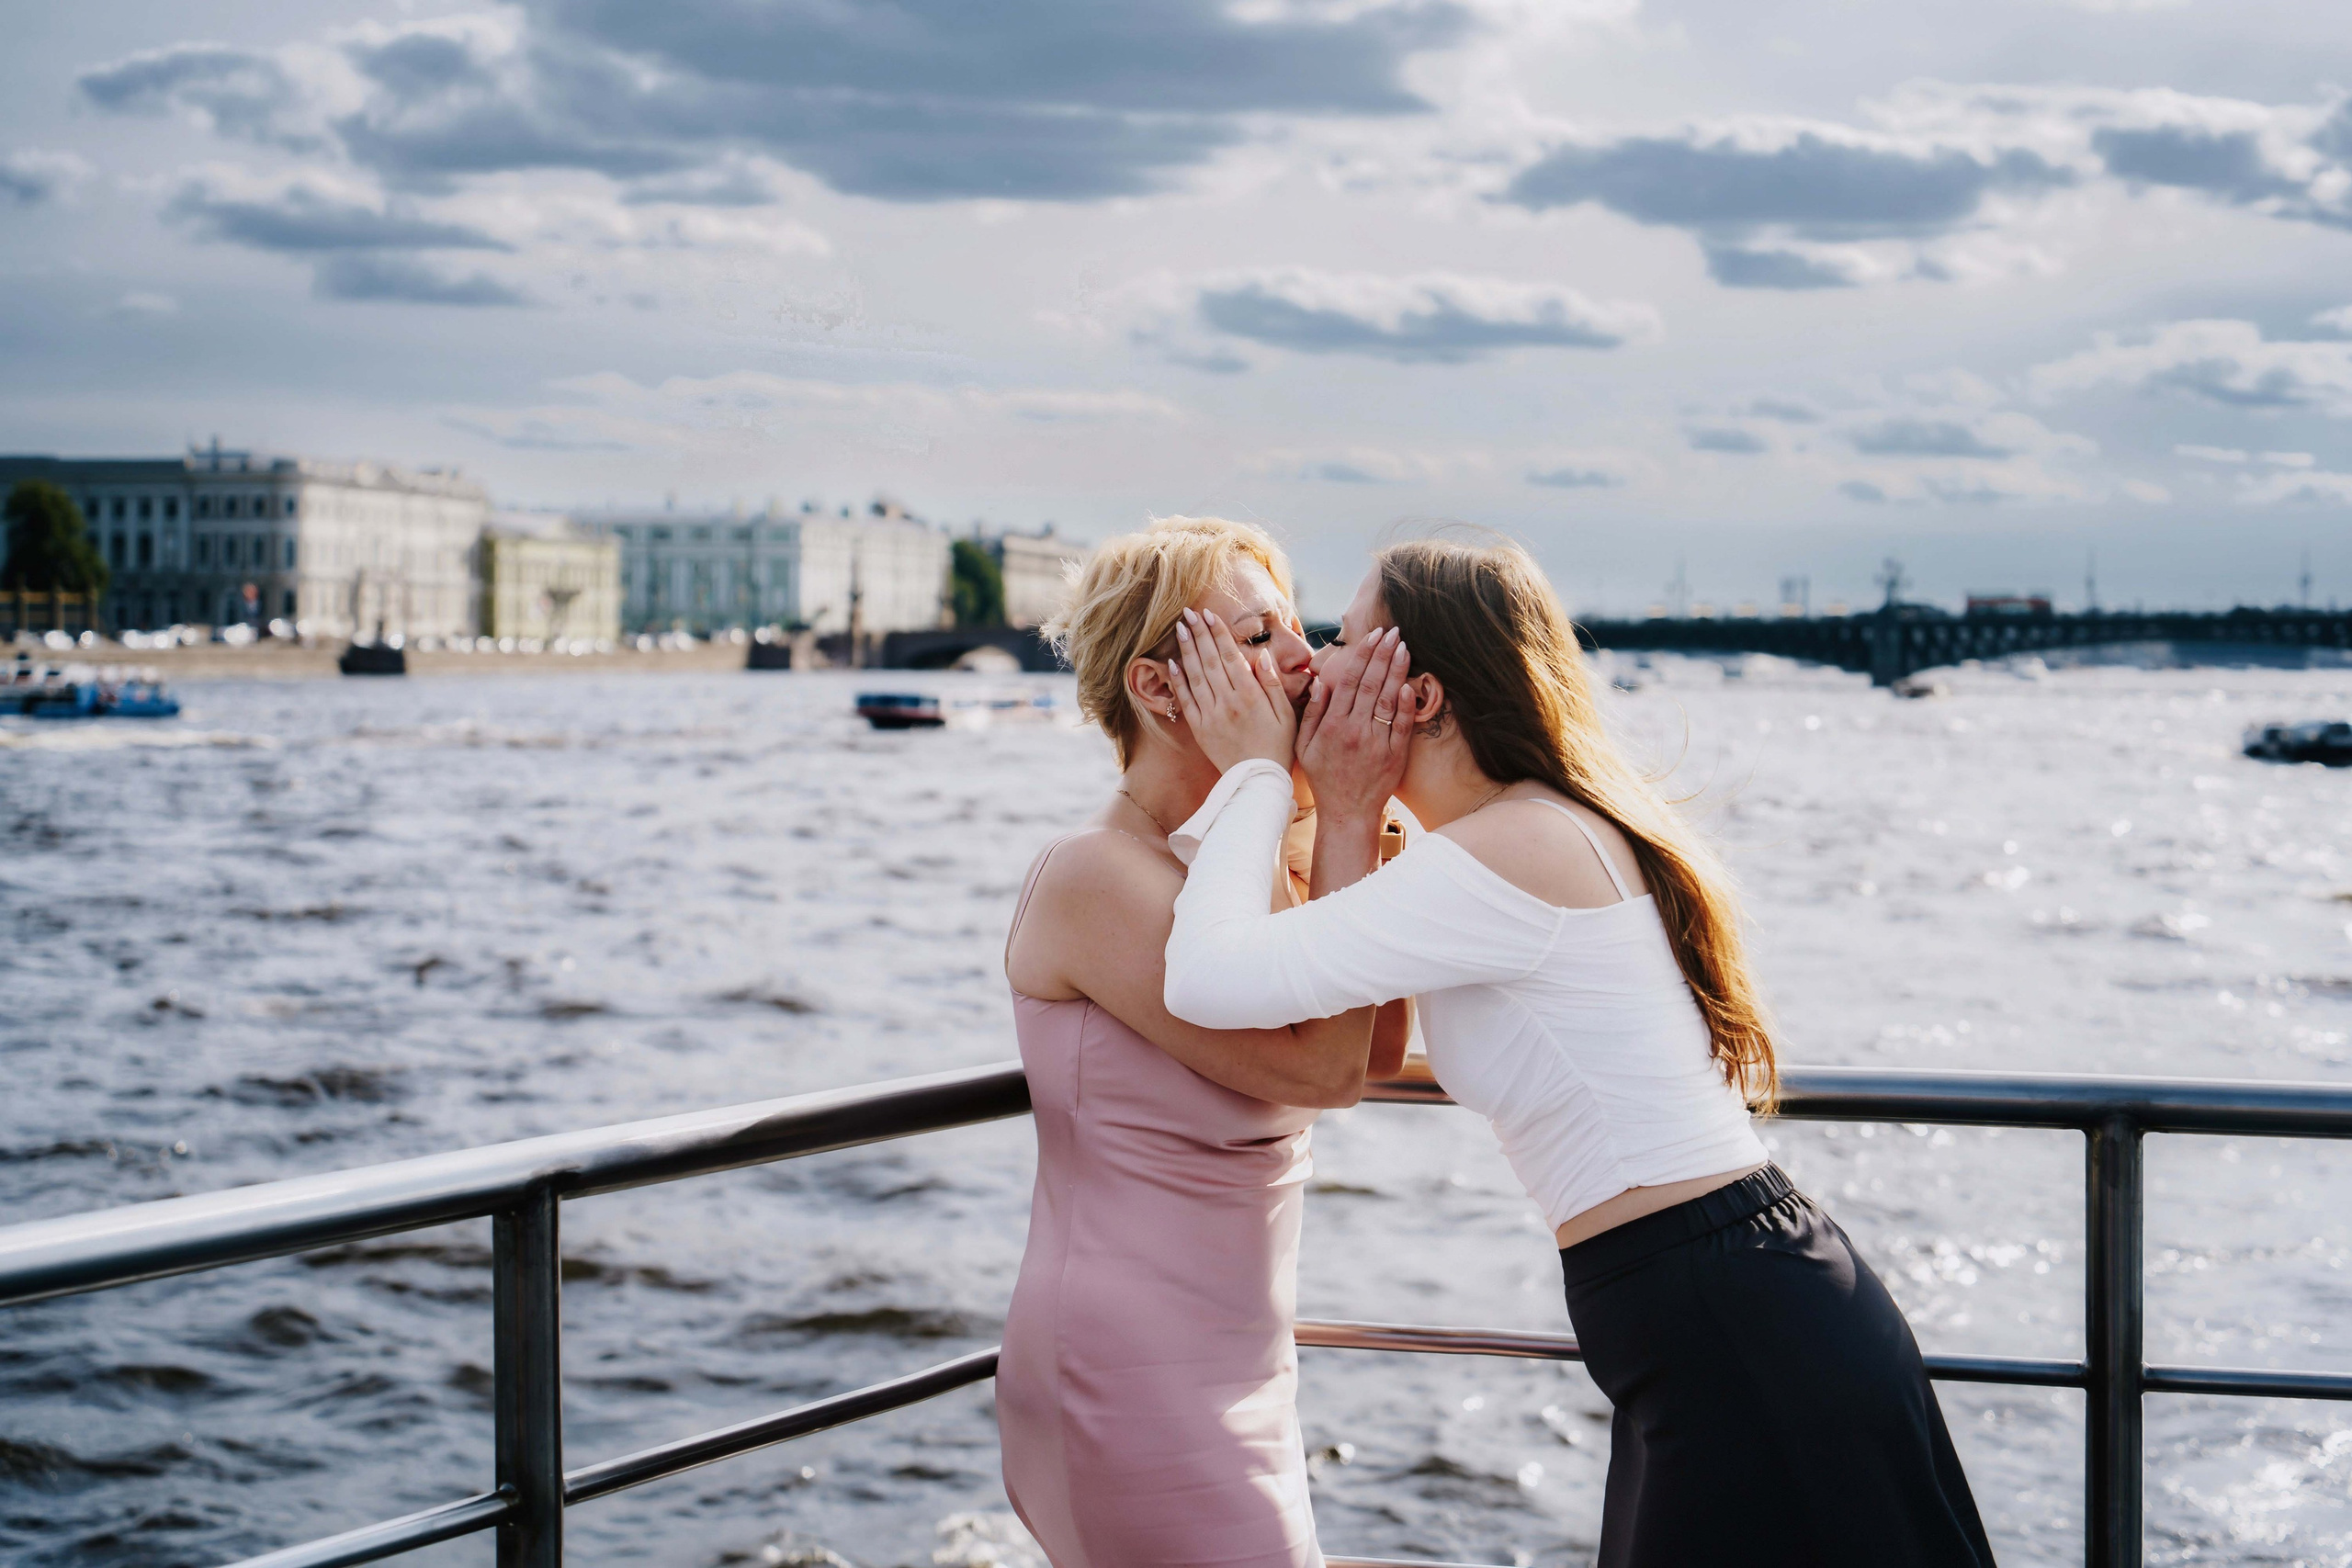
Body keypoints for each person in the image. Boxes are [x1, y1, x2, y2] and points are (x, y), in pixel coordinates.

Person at [1159, 535, 1996, 1568]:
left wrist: (1251, 774)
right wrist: (1348, 807)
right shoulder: (1505, 838)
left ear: (1414, 694)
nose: (1315, 661)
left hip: (1726, 1318)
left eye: (1339, 636)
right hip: (1706, 1309)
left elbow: (1206, 977)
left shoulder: (1508, 851)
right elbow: (1357, 1035)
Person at [997, 514, 1408, 1568]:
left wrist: (1354, 817)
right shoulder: (1095, 876)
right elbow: (1323, 1071)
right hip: (1128, 1374)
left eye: (1296, 626)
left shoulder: (1226, 868)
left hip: (1240, 1362)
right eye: (1261, 637)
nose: (1308, 658)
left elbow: (1369, 1054)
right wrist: (1333, 817)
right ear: (1157, 687)